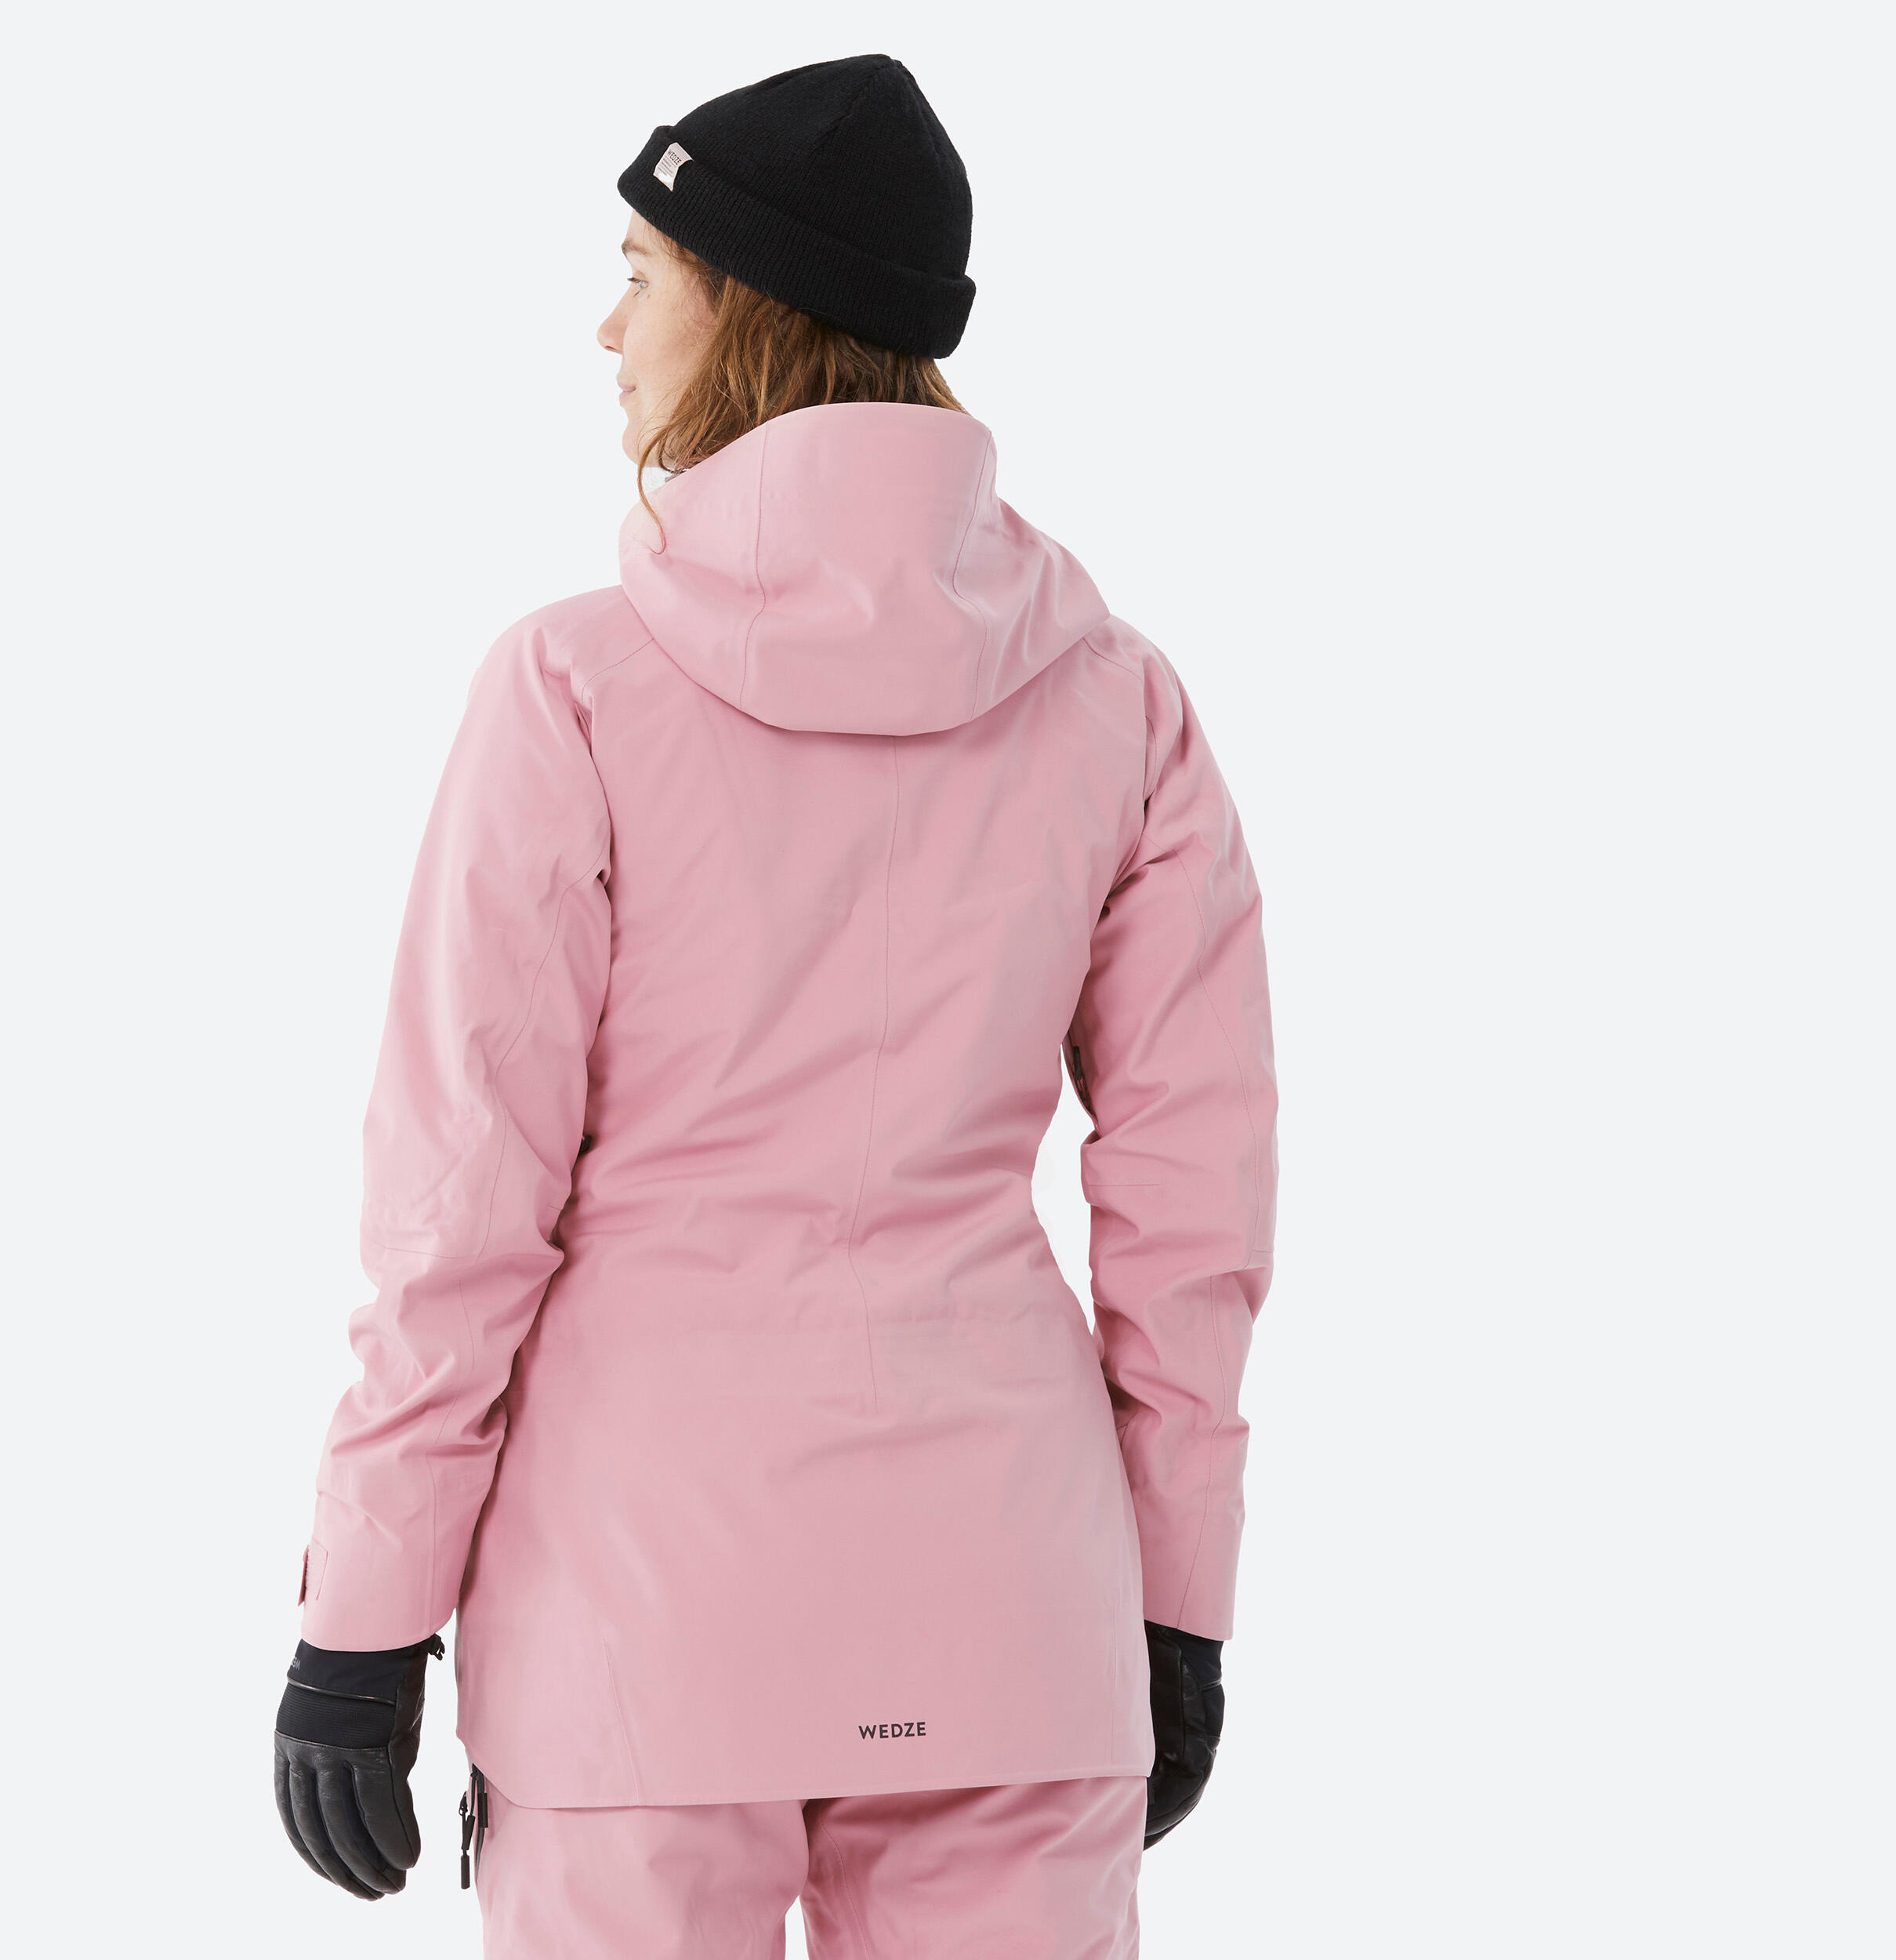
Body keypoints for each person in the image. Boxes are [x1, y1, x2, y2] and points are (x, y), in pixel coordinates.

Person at [271, 52, 1278, 1960]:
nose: (607, 326)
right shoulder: (1117, 699)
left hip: (636, 1621)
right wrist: (1176, 1594)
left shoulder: (570, 689)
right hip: (1008, 1605)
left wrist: (362, 1618)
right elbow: (1193, 1204)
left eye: (639, 272)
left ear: (747, 302)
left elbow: (458, 1201)